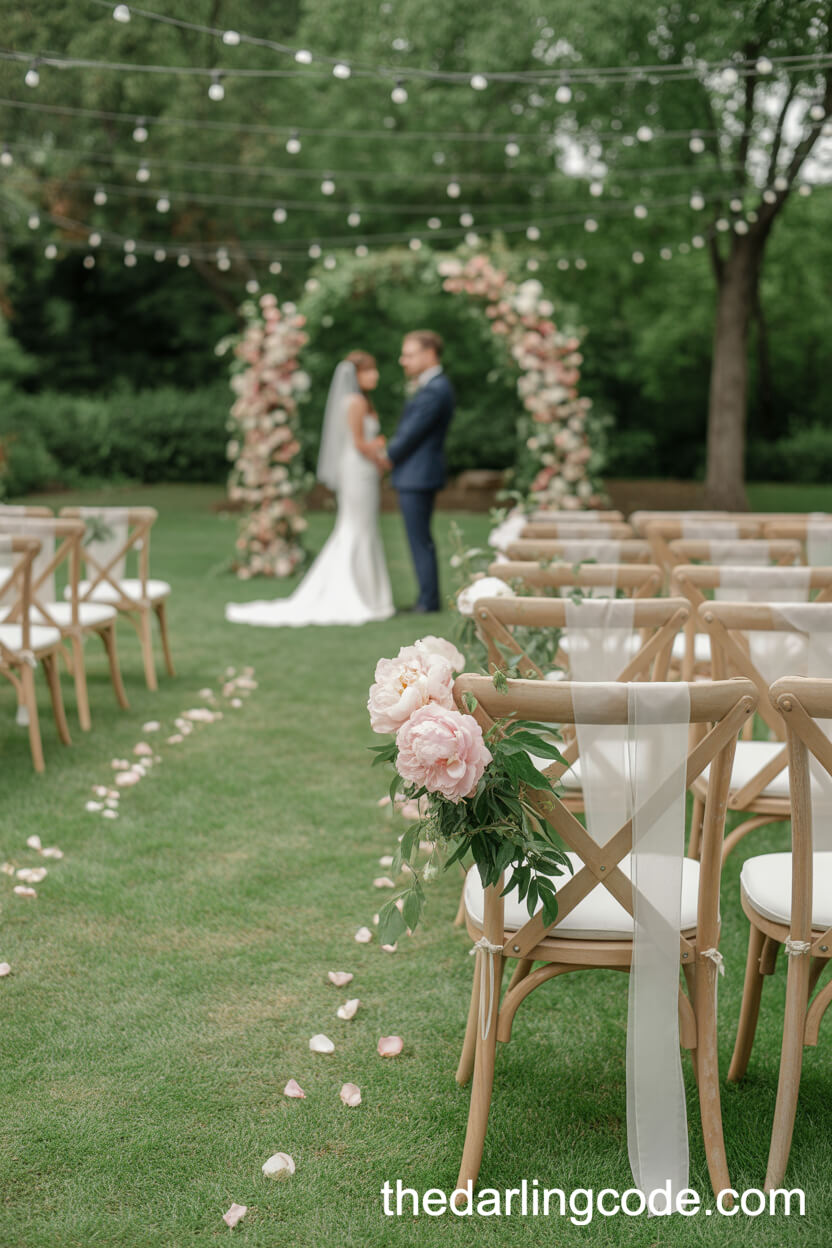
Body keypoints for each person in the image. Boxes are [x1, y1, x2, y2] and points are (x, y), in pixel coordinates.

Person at [225, 351, 394, 627]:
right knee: (356, 528)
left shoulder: (357, 401)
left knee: (359, 528)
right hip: (358, 469)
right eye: (369, 371)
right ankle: (360, 594)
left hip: (361, 469)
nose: (374, 376)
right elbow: (360, 442)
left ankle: (369, 593)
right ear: (356, 374)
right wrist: (380, 448)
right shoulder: (356, 402)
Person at [376, 330, 455, 614]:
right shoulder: (430, 386)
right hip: (416, 473)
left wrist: (386, 455)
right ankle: (427, 598)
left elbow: (412, 433)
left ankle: (428, 601)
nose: (402, 360)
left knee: (419, 539)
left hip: (418, 474)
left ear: (429, 353)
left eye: (409, 354)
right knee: (419, 538)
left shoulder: (436, 388)